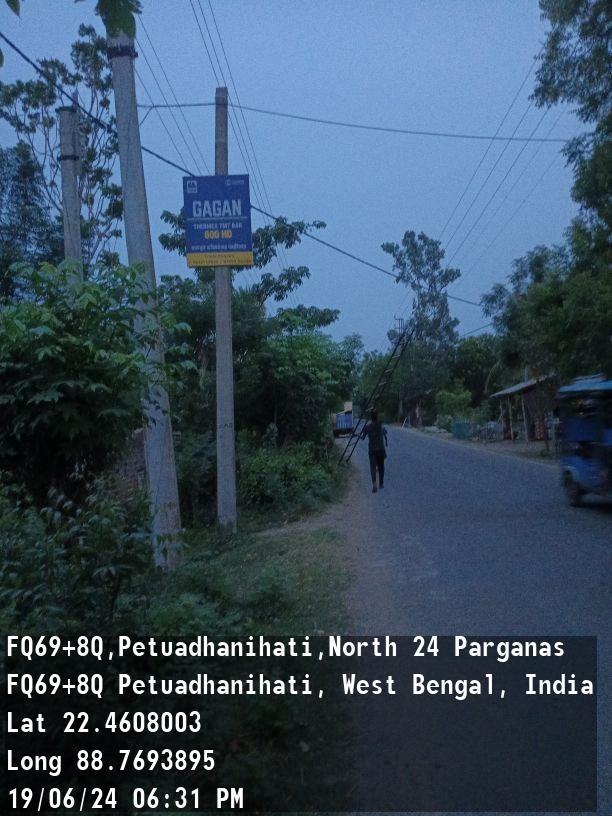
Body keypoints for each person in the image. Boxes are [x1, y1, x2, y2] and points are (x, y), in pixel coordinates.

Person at [361, 410, 388, 492]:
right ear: (377, 417)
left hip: (372, 449)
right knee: (381, 466)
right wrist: (386, 443)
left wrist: (358, 435)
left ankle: (374, 484)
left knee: (372, 467)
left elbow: (362, 437)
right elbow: (385, 434)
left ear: (371, 417)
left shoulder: (367, 427)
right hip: (381, 449)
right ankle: (381, 484)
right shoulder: (380, 426)